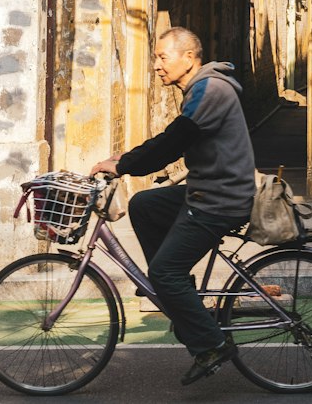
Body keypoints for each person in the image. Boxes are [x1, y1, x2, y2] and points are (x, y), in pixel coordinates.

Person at [91, 26, 256, 386]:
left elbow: (174, 140)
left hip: (219, 200)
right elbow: (179, 142)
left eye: (162, 57)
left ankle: (212, 344)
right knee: (145, 204)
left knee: (164, 272)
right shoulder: (201, 88)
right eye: (155, 58)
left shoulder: (210, 89)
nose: (156, 66)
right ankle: (177, 289)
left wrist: (123, 164)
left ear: (189, 58)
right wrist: (128, 158)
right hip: (208, 190)